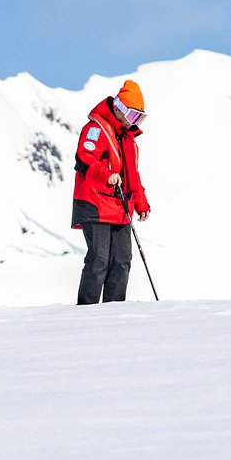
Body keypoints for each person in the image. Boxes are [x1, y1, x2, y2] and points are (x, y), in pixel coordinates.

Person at [70, 80, 151, 304]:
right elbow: (85, 158)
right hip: (95, 203)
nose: (133, 122)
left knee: (122, 261)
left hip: (120, 207)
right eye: (132, 115)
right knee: (99, 260)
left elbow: (132, 175)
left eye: (139, 118)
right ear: (118, 108)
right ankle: (86, 311)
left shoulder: (128, 139)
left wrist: (141, 203)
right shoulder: (95, 130)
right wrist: (106, 174)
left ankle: (113, 312)